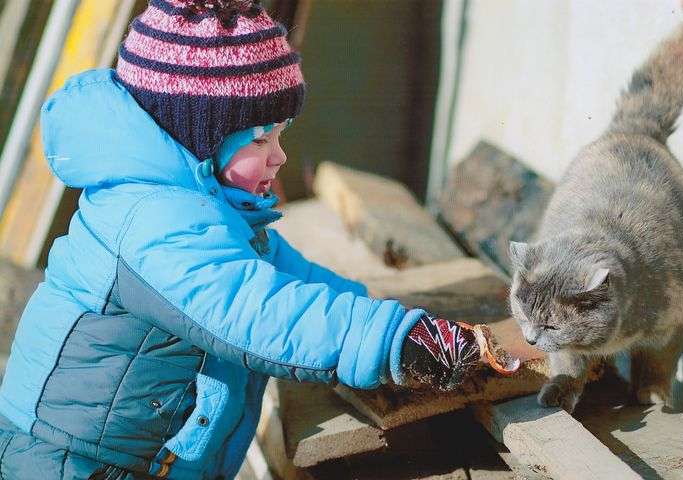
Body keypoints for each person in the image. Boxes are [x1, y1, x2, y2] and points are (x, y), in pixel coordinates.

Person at [0, 1, 480, 478]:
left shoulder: (204, 209)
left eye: (280, 136)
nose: (279, 157)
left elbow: (291, 280)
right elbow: (256, 308)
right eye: (259, 139)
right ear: (198, 137)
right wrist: (392, 340)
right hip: (66, 465)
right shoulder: (152, 221)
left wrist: (386, 320)